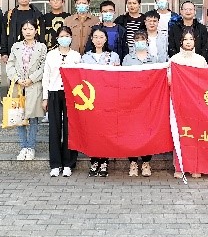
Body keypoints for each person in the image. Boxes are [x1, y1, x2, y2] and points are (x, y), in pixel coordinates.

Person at [81, 27, 121, 177]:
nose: (98, 40)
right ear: (91, 39)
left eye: (101, 37)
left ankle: (104, 161)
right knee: (93, 131)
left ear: (106, 39)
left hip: (108, 99)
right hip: (91, 100)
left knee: (106, 130)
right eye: (96, 37)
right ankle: (94, 160)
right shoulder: (85, 57)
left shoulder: (114, 56)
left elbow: (118, 78)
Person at [42, 25, 81, 177]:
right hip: (53, 92)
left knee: (70, 128)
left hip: (71, 95)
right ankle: (55, 164)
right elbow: (46, 77)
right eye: (62, 36)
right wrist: (45, 97)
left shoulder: (76, 56)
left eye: (67, 36)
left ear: (71, 38)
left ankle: (68, 163)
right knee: (55, 128)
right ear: (57, 38)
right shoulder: (51, 55)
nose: (65, 39)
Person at [5, 20, 47, 161]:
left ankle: (31, 147)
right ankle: (23, 146)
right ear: (21, 31)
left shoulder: (41, 47)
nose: (28, 31)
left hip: (34, 86)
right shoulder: (16, 46)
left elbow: (43, 67)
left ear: (36, 31)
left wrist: (31, 79)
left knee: (34, 117)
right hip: (18, 86)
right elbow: (10, 65)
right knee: (18, 116)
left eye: (30, 29)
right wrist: (17, 79)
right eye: (25, 29)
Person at [169, 30, 207, 179]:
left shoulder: (200, 60)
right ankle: (179, 167)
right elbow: (169, 79)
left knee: (196, 135)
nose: (188, 42)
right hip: (179, 102)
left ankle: (195, 166)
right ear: (181, 42)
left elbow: (206, 81)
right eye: (185, 39)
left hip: (197, 104)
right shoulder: (174, 59)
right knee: (180, 135)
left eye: (191, 39)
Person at [122, 30, 158, 177]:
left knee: (147, 132)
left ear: (147, 41)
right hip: (132, 102)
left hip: (148, 102)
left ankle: (146, 162)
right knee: (131, 132)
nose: (140, 42)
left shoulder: (154, 59)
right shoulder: (127, 59)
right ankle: (133, 162)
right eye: (137, 39)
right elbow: (123, 79)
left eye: (142, 39)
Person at [0, 0, 45, 64]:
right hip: (13, 53)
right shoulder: (10, 15)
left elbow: (41, 35)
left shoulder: (37, 15)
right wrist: (4, 52)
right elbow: (4, 34)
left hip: (33, 54)